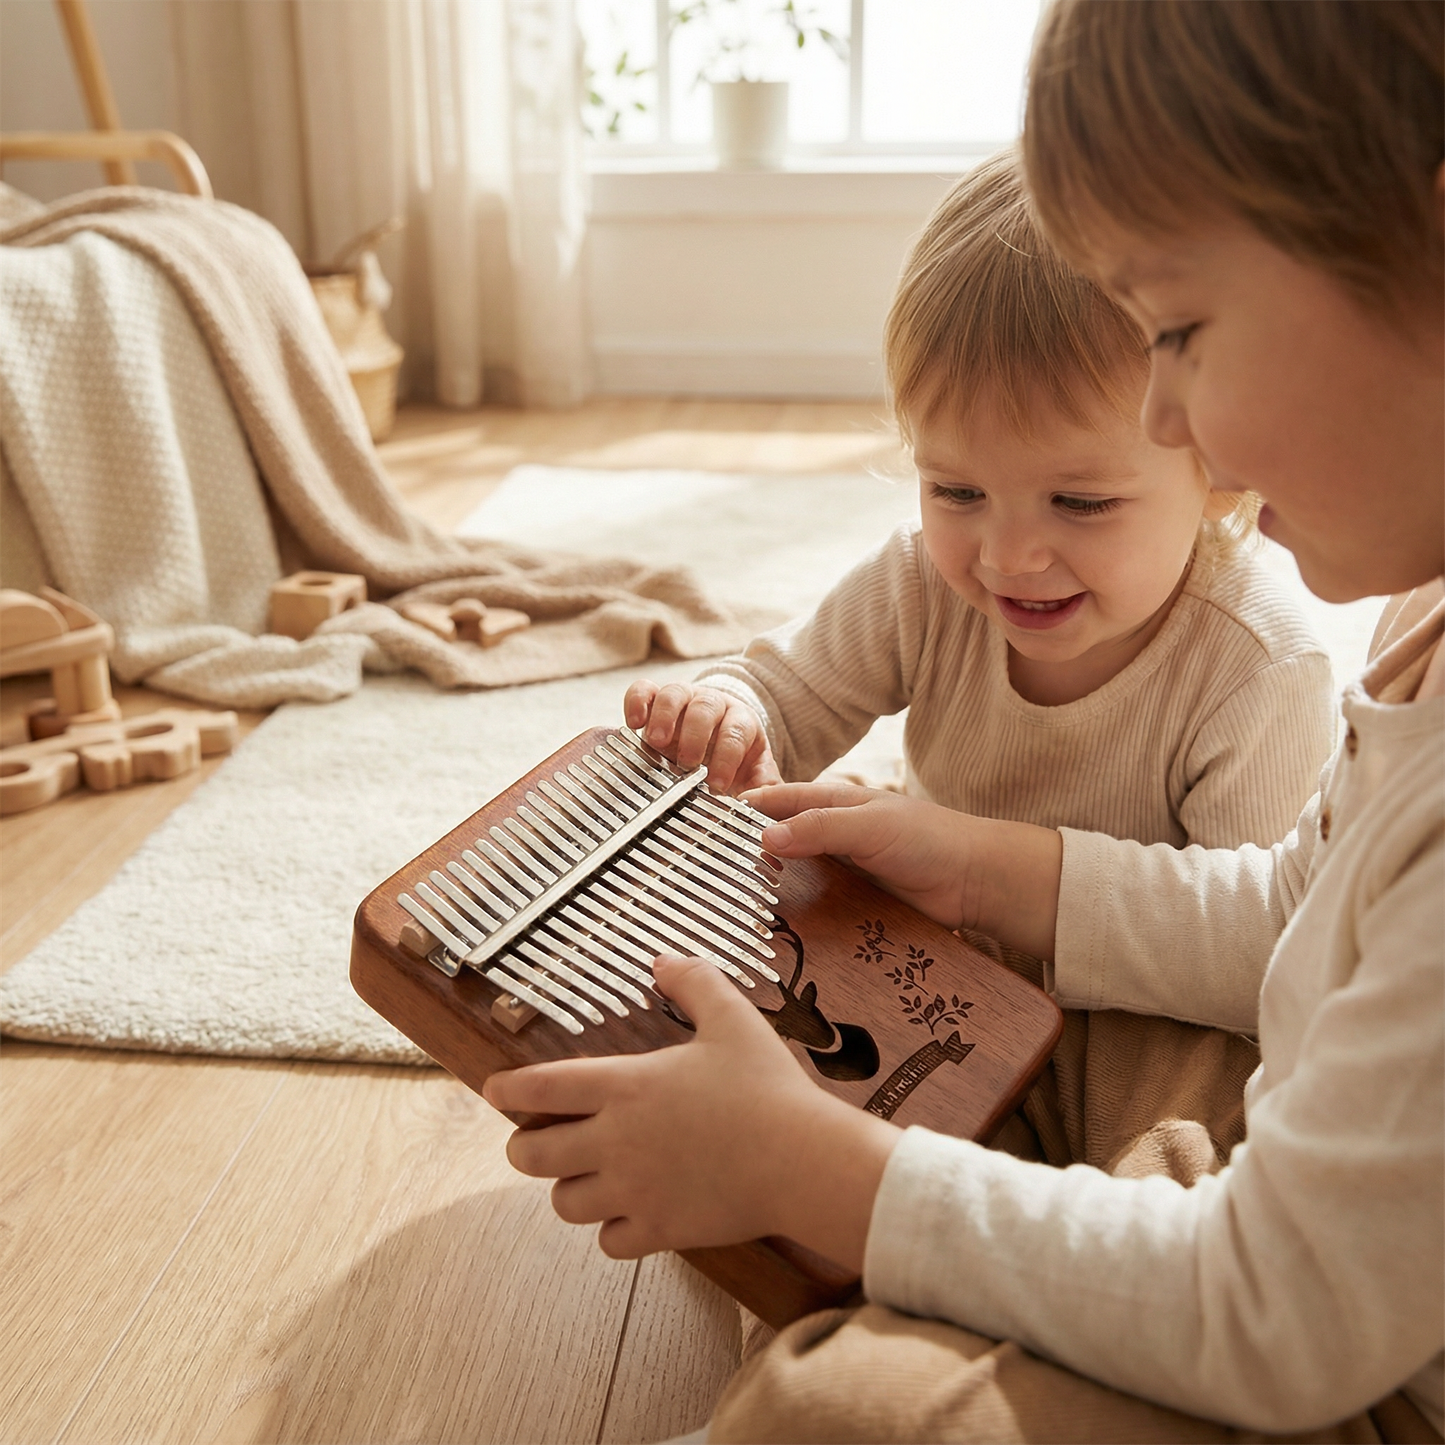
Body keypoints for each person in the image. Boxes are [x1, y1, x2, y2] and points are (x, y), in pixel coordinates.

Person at [484, 2, 1443, 1439]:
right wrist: (985, 869)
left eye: (1176, 329)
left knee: (849, 1410)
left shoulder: (1269, 659)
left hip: (1354, 1368)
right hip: (1306, 1244)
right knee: (920, 1048)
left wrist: (820, 1176)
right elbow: (1293, 916)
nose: (1167, 416)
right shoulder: (1425, 630)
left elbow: (1278, 1313)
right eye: (955, 491)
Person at [627, 152, 1337, 1175]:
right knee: (769, 1040)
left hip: (1145, 1003)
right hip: (925, 964)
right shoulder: (920, 584)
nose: (1005, 557)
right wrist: (724, 711)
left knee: (1192, 1126)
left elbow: (1252, 952)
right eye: (954, 490)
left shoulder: (1259, 662)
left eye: (1079, 503)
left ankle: (1090, 1273)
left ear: (1218, 472)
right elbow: (783, 693)